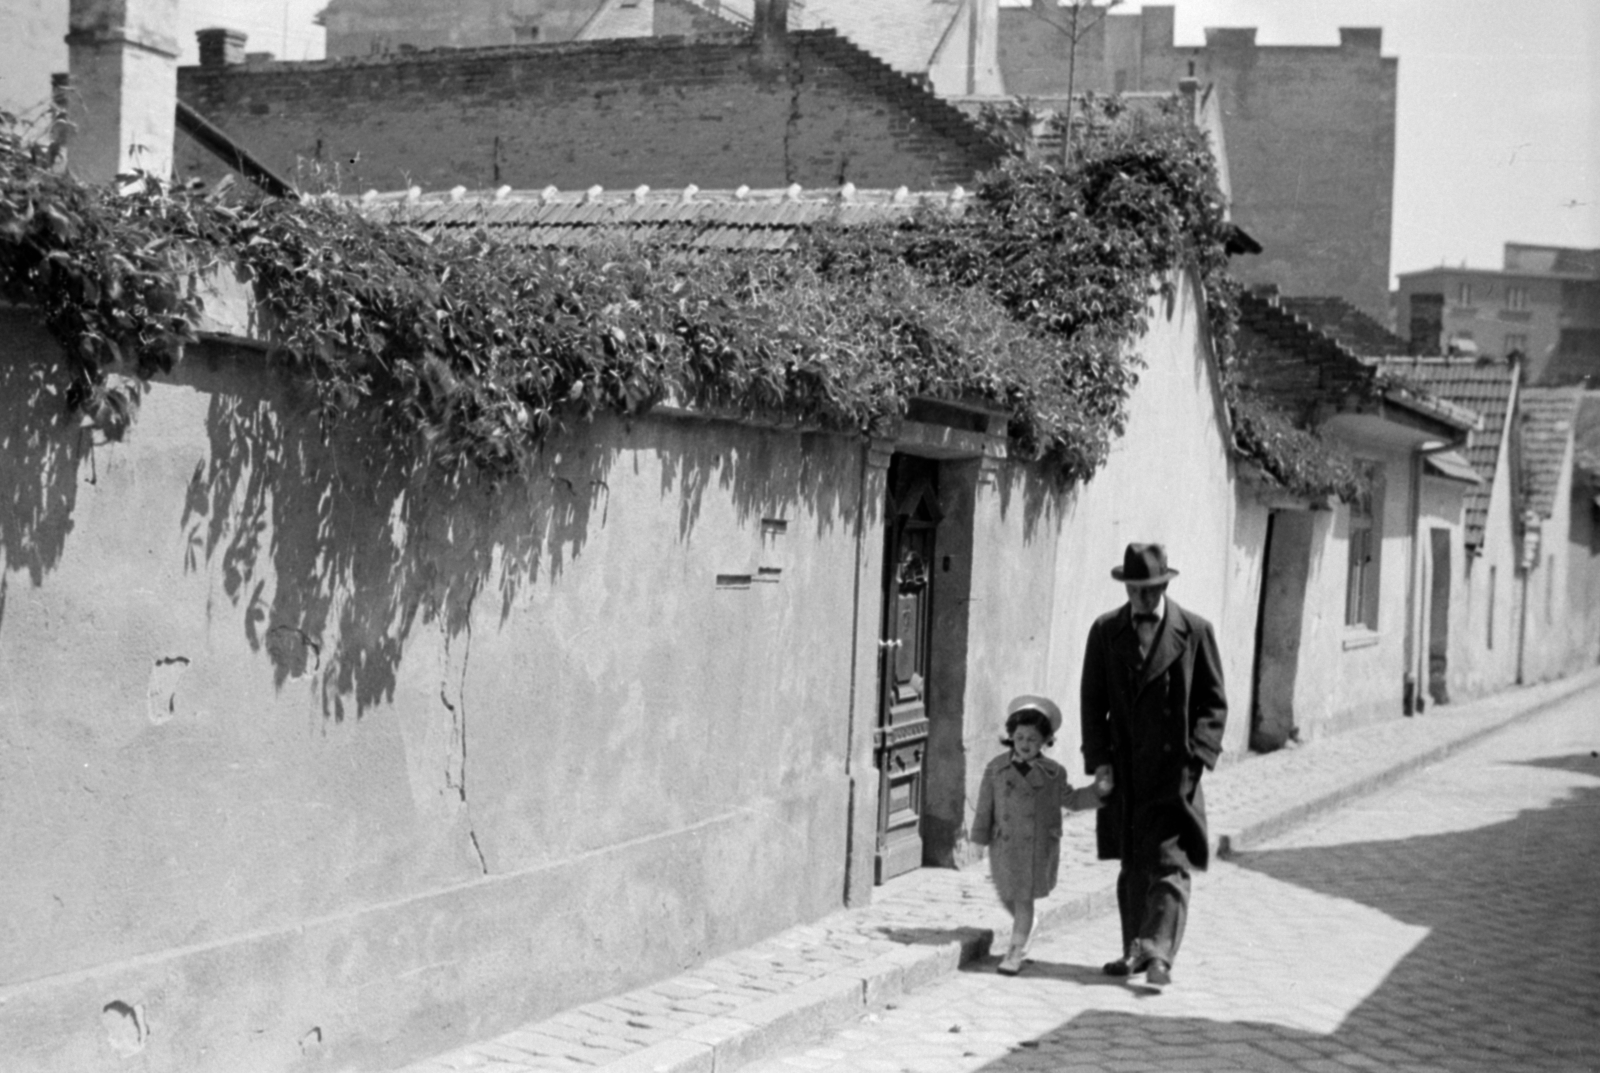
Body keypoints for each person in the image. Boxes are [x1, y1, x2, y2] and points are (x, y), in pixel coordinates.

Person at [1080, 543, 1227, 988]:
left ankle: (1159, 953)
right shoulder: (1106, 631)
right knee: (1133, 863)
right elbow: (1093, 701)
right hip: (1126, 769)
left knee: (1170, 861)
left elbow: (1213, 702)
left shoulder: (1195, 631)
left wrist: (1197, 758)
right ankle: (1135, 948)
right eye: (1134, 590)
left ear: (1164, 585)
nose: (1141, 599)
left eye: (1149, 590)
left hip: (1173, 770)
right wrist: (1100, 760)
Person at [971, 694, 1111, 976]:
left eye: (1032, 739)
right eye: (1020, 737)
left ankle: (1015, 949)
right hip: (1004, 845)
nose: (1025, 744)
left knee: (1023, 899)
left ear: (1045, 742)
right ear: (1011, 736)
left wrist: (1099, 792)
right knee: (1006, 893)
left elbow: (1072, 800)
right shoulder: (996, 768)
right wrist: (978, 839)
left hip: (1035, 847)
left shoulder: (1052, 774)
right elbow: (985, 805)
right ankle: (1027, 925)